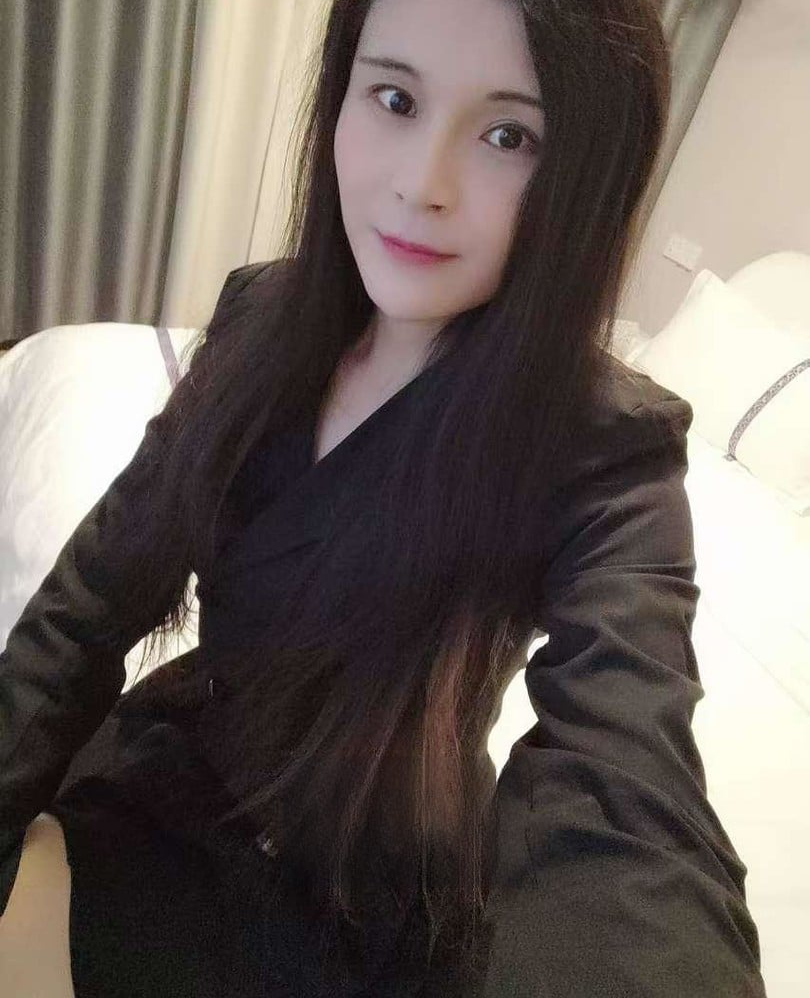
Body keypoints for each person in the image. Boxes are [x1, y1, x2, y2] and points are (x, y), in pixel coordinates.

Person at [0, 0, 768, 995]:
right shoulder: (260, 316)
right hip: (173, 770)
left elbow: (627, 787)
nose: (420, 184)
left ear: (587, 170)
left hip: (358, 891)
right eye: (396, 99)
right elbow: (90, 596)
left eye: (509, 134)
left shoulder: (606, 450)